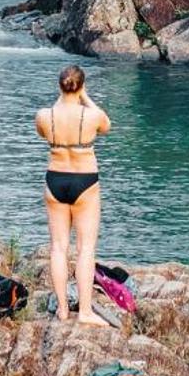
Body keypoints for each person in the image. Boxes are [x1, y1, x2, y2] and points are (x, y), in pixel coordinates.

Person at [34, 64, 111, 327]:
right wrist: (84, 96)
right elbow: (107, 126)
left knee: (58, 247)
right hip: (85, 180)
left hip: (55, 179)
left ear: (59, 86)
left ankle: (63, 310)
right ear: (81, 86)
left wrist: (63, 97)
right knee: (85, 248)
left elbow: (42, 132)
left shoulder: (44, 115)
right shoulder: (92, 115)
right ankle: (85, 311)